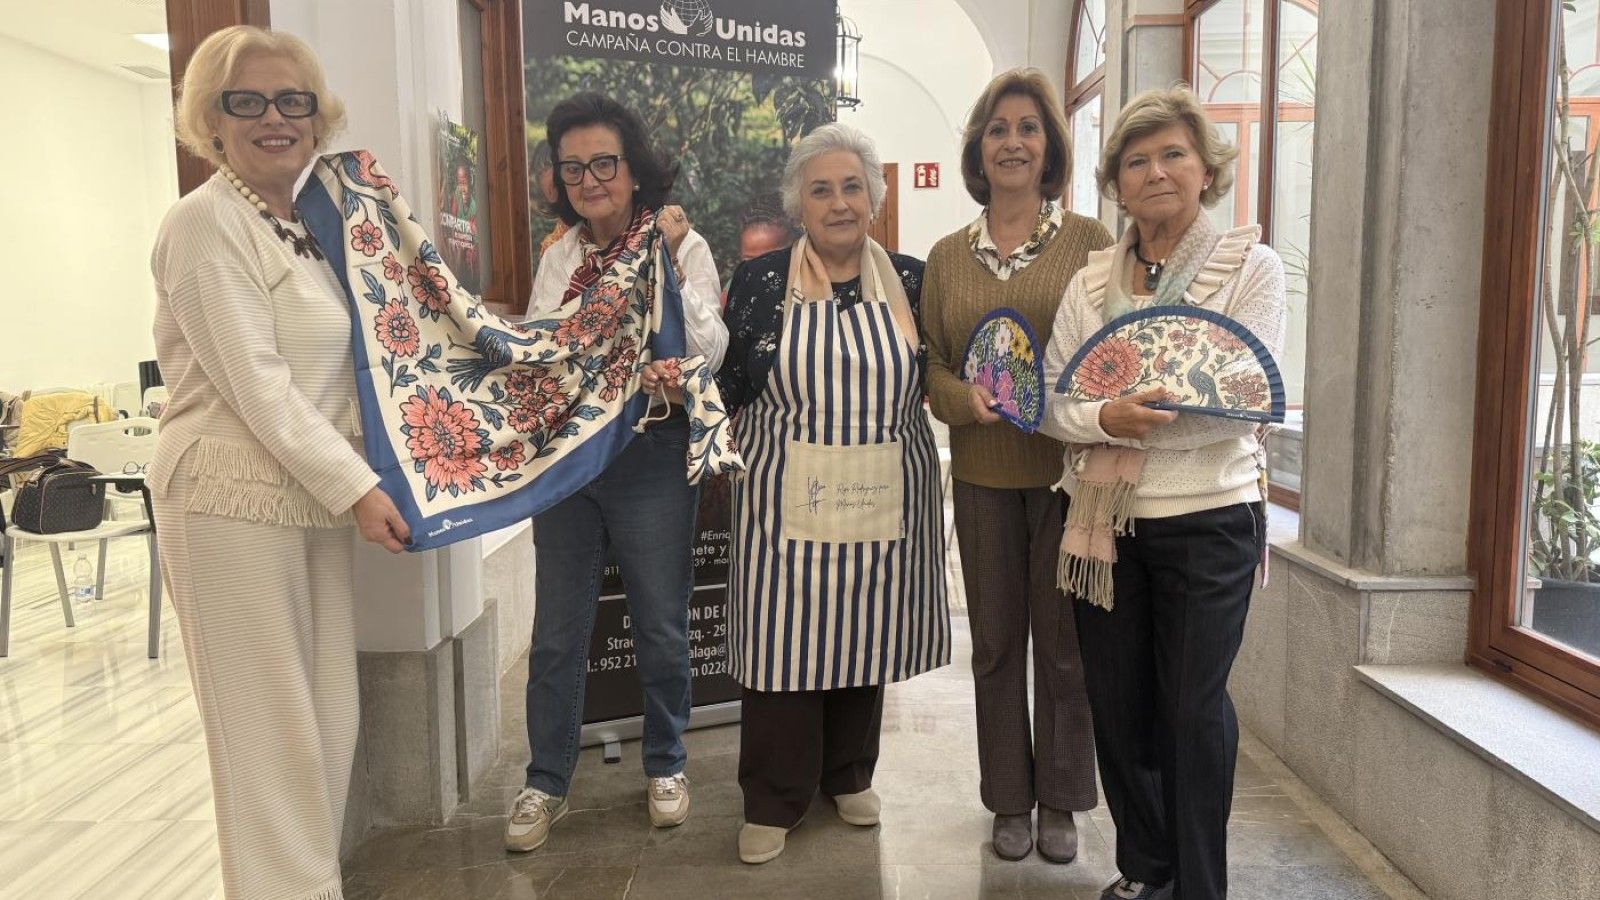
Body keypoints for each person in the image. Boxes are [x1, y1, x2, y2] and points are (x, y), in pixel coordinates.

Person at [149, 25, 409, 900]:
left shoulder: (304, 225)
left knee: (329, 724)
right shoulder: (204, 223)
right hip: (224, 500)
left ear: (316, 115)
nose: (274, 117)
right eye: (247, 101)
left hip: (306, 500)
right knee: (267, 739)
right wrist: (363, 486)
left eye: (292, 100)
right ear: (210, 119)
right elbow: (257, 387)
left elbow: (349, 376)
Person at [1040, 86, 1286, 900]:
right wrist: (1109, 412)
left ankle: (1200, 885)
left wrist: (1120, 415)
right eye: (1137, 160)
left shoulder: (1251, 268)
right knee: (1117, 707)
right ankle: (1146, 868)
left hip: (1210, 517)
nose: (1156, 172)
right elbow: (1052, 401)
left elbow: (1244, 398)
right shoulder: (1087, 283)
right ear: (1115, 181)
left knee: (1190, 710)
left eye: (1174, 153)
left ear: (1206, 168)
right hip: (1104, 529)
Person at [718, 122, 950, 865]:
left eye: (853, 186)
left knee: (865, 629)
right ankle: (774, 798)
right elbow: (727, 386)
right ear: (799, 205)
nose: (840, 202)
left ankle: (849, 773)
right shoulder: (759, 283)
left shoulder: (913, 280)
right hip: (784, 493)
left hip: (884, 488)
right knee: (784, 643)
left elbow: (938, 375)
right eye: (822, 189)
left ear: (875, 198)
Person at [505, 92, 727, 852]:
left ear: (633, 171)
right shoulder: (561, 256)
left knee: (662, 623)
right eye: (573, 168)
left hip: (651, 454)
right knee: (558, 633)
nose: (590, 179)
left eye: (604, 162)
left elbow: (712, 345)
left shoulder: (681, 244)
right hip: (569, 461)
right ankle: (546, 780)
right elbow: (543, 345)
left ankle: (666, 761)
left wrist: (661, 257)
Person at [921, 68, 1111, 864]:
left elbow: (1111, 351)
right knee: (997, 642)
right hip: (983, 475)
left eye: (1029, 127)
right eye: (998, 128)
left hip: (1070, 477)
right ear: (978, 148)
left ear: (1050, 147)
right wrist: (965, 401)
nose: (1012, 141)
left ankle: (1063, 797)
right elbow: (929, 364)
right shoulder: (945, 255)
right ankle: (1007, 798)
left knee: (1065, 644)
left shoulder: (1091, 243)